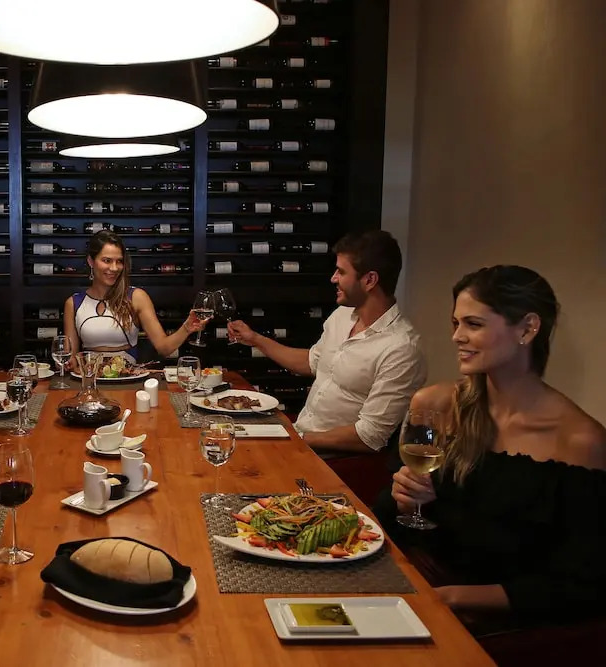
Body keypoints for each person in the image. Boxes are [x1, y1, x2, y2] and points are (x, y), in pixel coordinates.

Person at [377, 265, 606, 629]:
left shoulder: (580, 442)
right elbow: (388, 517)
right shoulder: (435, 406)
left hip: (504, 626)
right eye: (456, 323)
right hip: (415, 581)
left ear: (527, 329)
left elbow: (580, 585)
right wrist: (405, 500)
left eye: (473, 324)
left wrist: (452, 598)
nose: (457, 336)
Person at [228, 230, 426, 454]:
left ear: (370, 280)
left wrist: (296, 439)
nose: (333, 278)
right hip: (301, 439)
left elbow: (369, 436)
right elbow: (312, 362)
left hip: (338, 461)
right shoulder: (342, 315)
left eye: (341, 272)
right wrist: (255, 339)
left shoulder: (402, 349)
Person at [62, 230, 209, 367]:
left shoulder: (136, 297)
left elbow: (164, 348)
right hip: (89, 381)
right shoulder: (73, 303)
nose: (114, 268)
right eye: (107, 260)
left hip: (127, 380)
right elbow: (70, 358)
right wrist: (66, 363)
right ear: (91, 261)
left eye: (119, 261)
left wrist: (186, 328)